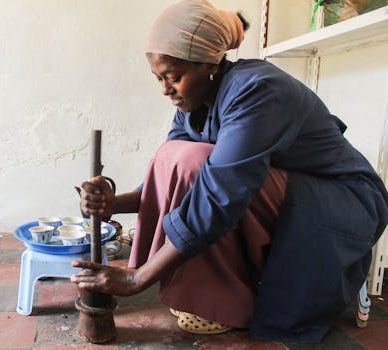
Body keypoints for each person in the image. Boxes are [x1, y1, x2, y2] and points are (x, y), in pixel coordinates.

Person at [70, 0, 388, 343]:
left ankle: (231, 300)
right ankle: (214, 287)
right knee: (175, 155)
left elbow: (219, 194)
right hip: (292, 194)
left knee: (197, 166)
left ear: (208, 64)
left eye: (173, 77)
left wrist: (137, 279)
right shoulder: (195, 103)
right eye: (158, 78)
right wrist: (112, 204)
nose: (165, 89)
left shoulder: (257, 90)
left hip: (343, 204)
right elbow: (163, 176)